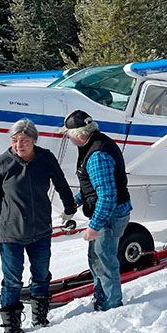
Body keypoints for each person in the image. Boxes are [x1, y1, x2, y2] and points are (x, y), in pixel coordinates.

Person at [0, 119, 76, 333]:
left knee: (41, 276)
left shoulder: (45, 158)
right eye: (14, 140)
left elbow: (61, 184)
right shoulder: (2, 162)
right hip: (9, 232)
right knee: (12, 280)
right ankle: (11, 327)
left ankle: (39, 318)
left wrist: (70, 210)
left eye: (24, 140)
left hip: (40, 230)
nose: (19, 145)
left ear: (34, 141)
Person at [61, 109, 132, 312]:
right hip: (106, 213)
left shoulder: (97, 155)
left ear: (78, 135)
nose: (68, 138)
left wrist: (94, 226)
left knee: (104, 258)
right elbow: (93, 186)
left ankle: (112, 305)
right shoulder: (92, 144)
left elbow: (108, 197)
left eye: (68, 134)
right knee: (95, 258)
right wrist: (77, 201)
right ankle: (101, 296)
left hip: (111, 215)